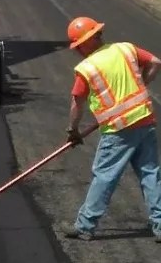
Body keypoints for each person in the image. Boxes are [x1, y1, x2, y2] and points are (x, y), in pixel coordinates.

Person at [63, 16, 161, 241]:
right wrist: (141, 86)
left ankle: (85, 226)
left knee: (105, 176)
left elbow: (76, 102)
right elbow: (156, 62)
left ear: (86, 42)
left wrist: (73, 130)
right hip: (145, 121)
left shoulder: (87, 67)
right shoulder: (125, 49)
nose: (77, 50)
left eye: (78, 45)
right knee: (150, 174)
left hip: (119, 129)